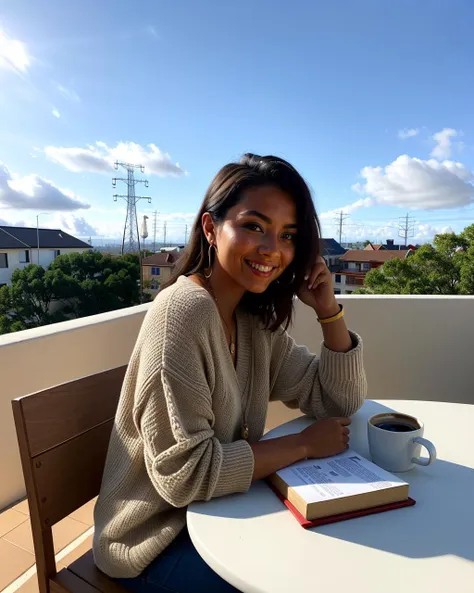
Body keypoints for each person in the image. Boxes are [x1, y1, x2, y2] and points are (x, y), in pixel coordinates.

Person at [93, 153, 367, 592]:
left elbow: (337, 401)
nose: (271, 249)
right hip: (155, 540)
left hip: (225, 516)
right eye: (254, 226)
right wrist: (300, 446)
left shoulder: (251, 321)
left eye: (287, 235)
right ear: (210, 228)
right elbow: (184, 477)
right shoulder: (181, 314)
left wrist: (329, 313)